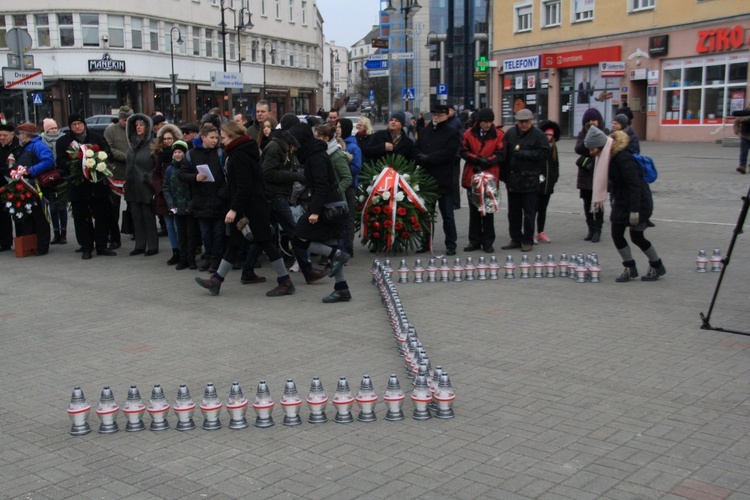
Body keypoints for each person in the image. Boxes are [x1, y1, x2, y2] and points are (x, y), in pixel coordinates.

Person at [195, 121, 295, 297]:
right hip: (247, 207)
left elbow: (244, 186)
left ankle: (285, 281)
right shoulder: (240, 151)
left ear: (233, 137)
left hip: (252, 208)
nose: (221, 141)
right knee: (233, 243)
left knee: (265, 243)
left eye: (224, 137)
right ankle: (217, 280)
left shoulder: (239, 155)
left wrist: (234, 209)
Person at [585, 126, 665, 282]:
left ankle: (657, 265)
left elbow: (635, 184)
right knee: (616, 233)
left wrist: (635, 211)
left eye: (592, 148)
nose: (591, 152)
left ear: (600, 145)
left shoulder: (622, 157)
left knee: (637, 237)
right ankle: (630, 267)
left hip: (639, 202)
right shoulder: (607, 157)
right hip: (622, 201)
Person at [287, 122, 352, 303]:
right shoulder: (313, 154)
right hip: (328, 206)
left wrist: (314, 211)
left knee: (298, 237)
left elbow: (322, 185)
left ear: (300, 141)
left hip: (325, 207)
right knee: (331, 245)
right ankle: (342, 289)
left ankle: (338, 256)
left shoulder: (315, 156)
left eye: (293, 142)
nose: (292, 147)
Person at [56, 115, 117, 259]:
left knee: (102, 215)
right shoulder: (64, 141)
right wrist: (75, 163)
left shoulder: (96, 138)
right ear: (70, 126)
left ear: (84, 124)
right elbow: (60, 162)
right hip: (78, 186)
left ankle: (101, 245)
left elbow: (108, 154)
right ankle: (86, 247)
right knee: (81, 217)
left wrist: (98, 162)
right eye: (74, 124)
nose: (77, 127)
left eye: (79, 123)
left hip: (97, 185)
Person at [414, 103, 462, 256]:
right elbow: (416, 147)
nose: (436, 117)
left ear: (447, 115)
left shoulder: (452, 132)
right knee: (426, 214)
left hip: (443, 179)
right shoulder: (425, 131)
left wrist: (429, 158)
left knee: (447, 214)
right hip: (427, 179)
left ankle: (451, 244)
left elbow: (448, 153)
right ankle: (425, 242)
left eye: (440, 115)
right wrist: (419, 157)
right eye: (434, 115)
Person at [500, 109, 550, 253]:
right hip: (513, 179)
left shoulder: (539, 135)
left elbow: (544, 153)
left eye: (526, 121)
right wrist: (504, 176)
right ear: (517, 121)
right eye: (521, 122)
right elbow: (504, 154)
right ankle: (515, 238)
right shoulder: (510, 133)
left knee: (529, 213)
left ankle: (528, 240)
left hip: (530, 179)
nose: (523, 124)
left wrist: (525, 154)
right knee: (513, 212)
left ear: (531, 121)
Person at [182, 124, 227, 273]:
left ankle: (216, 259)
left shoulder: (220, 153)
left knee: (218, 232)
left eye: (216, 138)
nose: (215, 141)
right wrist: (195, 177)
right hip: (201, 200)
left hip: (218, 200)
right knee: (206, 233)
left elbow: (227, 177)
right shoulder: (191, 155)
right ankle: (208, 257)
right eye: (212, 138)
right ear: (203, 138)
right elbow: (182, 174)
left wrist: (221, 195)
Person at [460, 107, 504, 253]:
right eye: (485, 122)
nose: (487, 124)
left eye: (490, 122)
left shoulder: (498, 134)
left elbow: (501, 153)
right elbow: (463, 151)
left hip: (490, 176)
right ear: (479, 122)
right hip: (473, 175)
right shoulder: (468, 134)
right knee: (474, 211)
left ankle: (488, 242)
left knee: (488, 210)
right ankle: (474, 241)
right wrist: (478, 160)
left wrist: (487, 161)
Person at [12, 122, 55, 255]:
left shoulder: (37, 145)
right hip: (27, 186)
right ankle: (35, 244)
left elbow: (48, 161)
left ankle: (43, 246)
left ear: (25, 134)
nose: (18, 136)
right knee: (33, 217)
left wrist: (30, 170)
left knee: (40, 217)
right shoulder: (28, 146)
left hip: (37, 186)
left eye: (19, 134)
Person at [124, 114, 159, 256]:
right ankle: (139, 245)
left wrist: (149, 178)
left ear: (148, 127)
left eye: (141, 125)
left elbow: (157, 166)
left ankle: (152, 246)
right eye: (136, 125)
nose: (138, 127)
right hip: (132, 186)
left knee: (148, 216)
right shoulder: (132, 145)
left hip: (146, 186)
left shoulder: (153, 144)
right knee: (136, 216)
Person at [574, 108, 609, 242]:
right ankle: (591, 228)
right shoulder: (582, 134)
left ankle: (598, 229)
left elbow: (606, 149)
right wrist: (588, 135)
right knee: (587, 203)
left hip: (599, 172)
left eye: (594, 120)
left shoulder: (605, 133)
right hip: (585, 174)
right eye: (589, 121)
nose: (592, 122)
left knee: (598, 203)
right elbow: (578, 149)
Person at [163, 140, 198, 271]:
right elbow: (165, 187)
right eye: (175, 152)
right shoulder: (169, 170)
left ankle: (192, 258)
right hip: (177, 208)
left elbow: (195, 189)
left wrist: (191, 205)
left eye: (180, 152)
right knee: (181, 234)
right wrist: (171, 205)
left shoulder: (189, 167)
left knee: (191, 234)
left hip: (189, 208)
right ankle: (183, 258)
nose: (177, 155)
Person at [151, 123, 183, 265]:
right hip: (164, 196)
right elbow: (156, 175)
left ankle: (183, 251)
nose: (167, 141)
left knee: (178, 226)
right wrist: (160, 190)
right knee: (169, 226)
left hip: (178, 196)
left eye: (170, 139)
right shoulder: (160, 157)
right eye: (165, 139)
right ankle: (175, 251)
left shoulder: (179, 154)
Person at [104, 106, 133, 250]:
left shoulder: (136, 129)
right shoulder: (111, 130)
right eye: (124, 119)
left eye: (129, 119)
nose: (126, 122)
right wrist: (126, 156)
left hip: (133, 174)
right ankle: (114, 236)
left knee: (133, 205)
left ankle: (134, 231)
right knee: (113, 207)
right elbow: (108, 148)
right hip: (116, 174)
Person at [337, 118, 362, 256]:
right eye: (337, 126)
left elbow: (357, 167)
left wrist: (342, 167)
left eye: (340, 127)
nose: (337, 129)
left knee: (349, 216)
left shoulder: (353, 147)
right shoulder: (336, 143)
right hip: (338, 185)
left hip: (350, 186)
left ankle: (348, 245)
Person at [41, 118, 68, 245]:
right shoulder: (42, 141)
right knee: (52, 207)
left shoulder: (63, 139)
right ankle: (56, 232)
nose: (53, 130)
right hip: (48, 177)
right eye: (51, 128)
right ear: (46, 130)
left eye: (55, 128)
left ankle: (63, 233)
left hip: (61, 176)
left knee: (62, 206)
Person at [534, 120, 561, 244]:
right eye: (546, 135)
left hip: (548, 185)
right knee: (533, 209)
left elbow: (556, 166)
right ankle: (532, 233)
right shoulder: (538, 147)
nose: (548, 138)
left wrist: (554, 179)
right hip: (537, 184)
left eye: (550, 135)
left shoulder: (554, 149)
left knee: (543, 210)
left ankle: (541, 232)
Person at [0, 120, 21, 251]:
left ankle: (21, 239)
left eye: (5, 135)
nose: (2, 138)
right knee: (2, 216)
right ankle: (5, 242)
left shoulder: (18, 146)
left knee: (18, 212)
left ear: (12, 135)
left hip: (16, 184)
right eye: (0, 135)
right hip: (1, 185)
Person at [733, 106, 750, 174]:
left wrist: (745, 119)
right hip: (745, 136)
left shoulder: (744, 118)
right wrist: (737, 132)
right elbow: (736, 123)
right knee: (743, 152)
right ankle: (742, 166)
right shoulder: (741, 117)